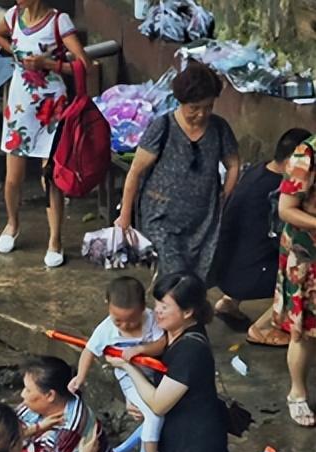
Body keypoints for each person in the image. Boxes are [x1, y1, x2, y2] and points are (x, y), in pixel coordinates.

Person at [108, 272, 230, 452]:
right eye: (157, 305)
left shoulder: (190, 350)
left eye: (165, 307)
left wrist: (127, 367)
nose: (157, 311)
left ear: (188, 312)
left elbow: (159, 404)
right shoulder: (169, 336)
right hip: (176, 440)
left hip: (194, 450)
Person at [115, 62, 240, 281]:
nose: (202, 114)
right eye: (194, 108)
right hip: (161, 216)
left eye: (208, 107)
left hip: (202, 220)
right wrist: (124, 217)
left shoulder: (219, 128)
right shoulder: (162, 127)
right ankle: (168, 310)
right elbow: (135, 172)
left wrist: (224, 195)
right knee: (173, 275)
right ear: (181, 102)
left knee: (195, 278)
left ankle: (182, 313)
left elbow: (233, 164)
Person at [0, 0, 90, 268]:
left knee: (51, 177)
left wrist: (49, 64)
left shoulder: (59, 21)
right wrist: (14, 50)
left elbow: (84, 63)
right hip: (19, 102)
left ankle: (55, 239)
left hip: (52, 106)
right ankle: (12, 223)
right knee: (13, 176)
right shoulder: (13, 17)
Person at [215, 127, 311, 347]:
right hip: (245, 279)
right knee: (300, 272)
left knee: (253, 247)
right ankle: (261, 328)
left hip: (224, 271)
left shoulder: (258, 171)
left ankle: (228, 304)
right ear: (292, 161)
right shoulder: (278, 193)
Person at [69, 276, 169, 452]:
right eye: (118, 321)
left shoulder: (152, 320)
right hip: (129, 380)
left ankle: (152, 449)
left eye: (132, 320)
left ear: (143, 308)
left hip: (153, 375)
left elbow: (162, 343)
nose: (125, 325)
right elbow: (89, 352)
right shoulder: (106, 330)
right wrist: (80, 377)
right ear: (108, 307)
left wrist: (141, 349)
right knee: (154, 415)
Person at [275, 134, 316, 427]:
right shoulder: (307, 154)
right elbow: (286, 209)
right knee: (303, 330)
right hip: (308, 253)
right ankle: (297, 393)